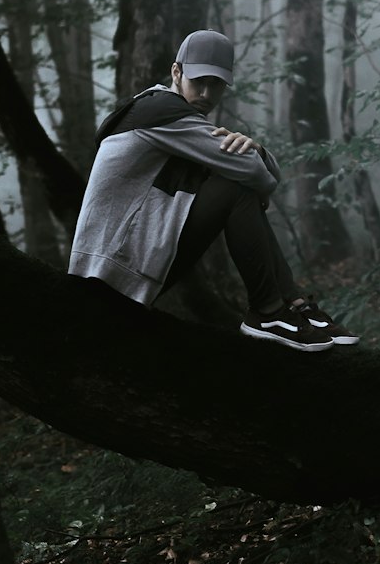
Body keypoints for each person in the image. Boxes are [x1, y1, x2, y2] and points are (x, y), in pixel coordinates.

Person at [68, 30, 359, 354]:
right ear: (176, 72)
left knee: (238, 185)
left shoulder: (179, 119)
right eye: (199, 81)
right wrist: (256, 160)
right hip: (107, 271)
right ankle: (268, 311)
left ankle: (293, 305)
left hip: (127, 261)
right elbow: (255, 175)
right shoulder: (162, 110)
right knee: (237, 188)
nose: (206, 93)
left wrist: (257, 150)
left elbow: (254, 170)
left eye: (216, 84)